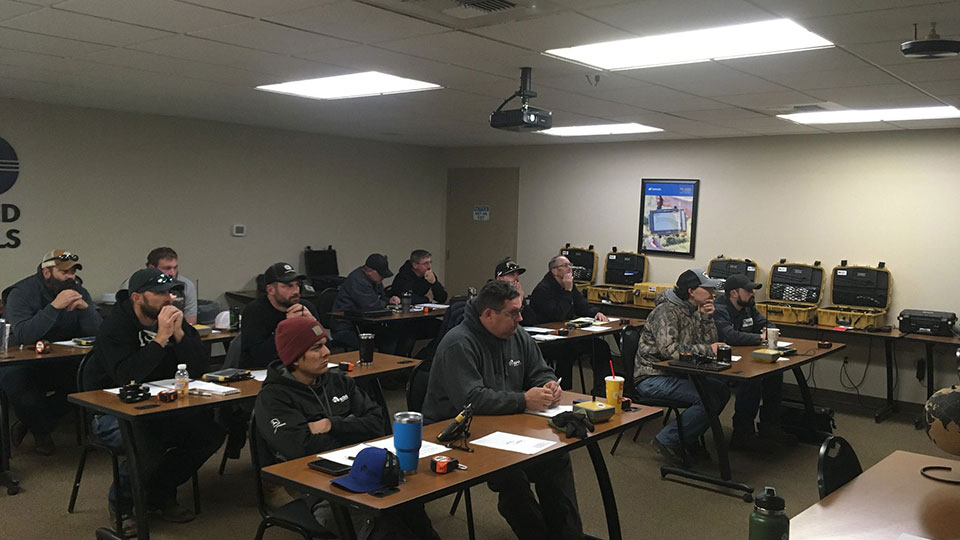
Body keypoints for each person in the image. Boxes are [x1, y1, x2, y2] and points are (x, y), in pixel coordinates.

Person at [423, 280, 583, 540]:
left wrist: (548, 384)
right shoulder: (459, 343)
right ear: (488, 314)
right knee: (512, 476)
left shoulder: (517, 335)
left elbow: (539, 370)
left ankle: (568, 536)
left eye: (520, 311)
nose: (520, 318)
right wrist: (524, 400)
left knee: (557, 458)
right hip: (456, 434)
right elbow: (472, 400)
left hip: (506, 426)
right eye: (512, 313)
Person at [255, 317, 441, 540]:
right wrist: (354, 429)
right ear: (294, 359)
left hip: (368, 470)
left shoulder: (339, 382)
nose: (326, 352)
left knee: (412, 509)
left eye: (325, 344)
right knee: (384, 530)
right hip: (317, 488)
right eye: (316, 348)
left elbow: (377, 422)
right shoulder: (273, 398)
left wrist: (333, 424)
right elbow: (301, 448)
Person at [83, 268, 224, 535]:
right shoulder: (115, 327)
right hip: (110, 410)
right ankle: (122, 504)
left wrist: (181, 335)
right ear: (137, 297)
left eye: (170, 292)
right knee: (147, 440)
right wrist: (160, 338)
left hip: (161, 403)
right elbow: (126, 376)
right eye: (159, 293)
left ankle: (158, 494)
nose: (169, 298)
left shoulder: (174, 318)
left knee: (210, 433)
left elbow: (199, 368)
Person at [0, 249, 102, 455]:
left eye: (73, 272)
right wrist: (55, 307)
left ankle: (34, 423)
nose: (70, 277)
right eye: (64, 273)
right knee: (19, 387)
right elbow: (22, 334)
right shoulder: (21, 293)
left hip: (64, 359)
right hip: (23, 360)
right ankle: (41, 433)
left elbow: (100, 334)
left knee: (91, 380)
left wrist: (87, 310)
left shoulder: (79, 291)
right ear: (47, 273)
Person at [635, 268, 731, 463]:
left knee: (721, 391)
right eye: (708, 290)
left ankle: (687, 437)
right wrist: (707, 349)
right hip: (652, 376)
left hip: (678, 374)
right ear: (691, 291)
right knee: (708, 399)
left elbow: (710, 342)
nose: (713, 294)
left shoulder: (691, 310)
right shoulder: (666, 311)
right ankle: (667, 439)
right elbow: (669, 351)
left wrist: (706, 318)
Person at [715, 274, 798, 451]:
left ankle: (769, 427)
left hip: (746, 357)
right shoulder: (720, 308)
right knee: (752, 381)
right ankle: (742, 434)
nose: (753, 293)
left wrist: (771, 330)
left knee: (775, 373)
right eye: (749, 290)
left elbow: (766, 323)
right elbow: (728, 336)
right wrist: (760, 337)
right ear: (734, 293)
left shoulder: (748, 308)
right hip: (724, 362)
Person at [529, 255, 611, 393]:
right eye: (565, 266)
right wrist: (567, 291)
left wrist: (595, 313)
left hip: (568, 335)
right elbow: (558, 315)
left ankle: (601, 390)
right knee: (566, 351)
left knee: (600, 347)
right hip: (549, 340)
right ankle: (563, 389)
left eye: (570, 265)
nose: (570, 269)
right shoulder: (543, 290)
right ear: (555, 271)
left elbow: (582, 305)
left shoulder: (569, 285)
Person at [240, 262, 318, 369]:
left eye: (297, 285)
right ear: (271, 290)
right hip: (263, 372)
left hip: (300, 368)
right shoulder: (255, 311)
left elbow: (326, 347)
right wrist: (286, 327)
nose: (296, 291)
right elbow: (259, 356)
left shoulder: (305, 307)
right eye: (289, 286)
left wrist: (314, 324)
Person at [330, 254, 410, 355]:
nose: (383, 278)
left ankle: (392, 364)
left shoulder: (375, 280)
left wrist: (389, 300)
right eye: (381, 274)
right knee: (374, 343)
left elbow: (379, 298)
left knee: (396, 335)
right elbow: (371, 305)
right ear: (369, 271)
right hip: (346, 326)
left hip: (364, 324)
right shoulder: (357, 279)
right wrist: (385, 303)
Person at [121, 247, 198, 324]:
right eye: (167, 268)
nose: (173, 273)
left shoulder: (186, 285)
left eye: (175, 268)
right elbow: (123, 319)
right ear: (151, 267)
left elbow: (191, 321)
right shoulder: (133, 284)